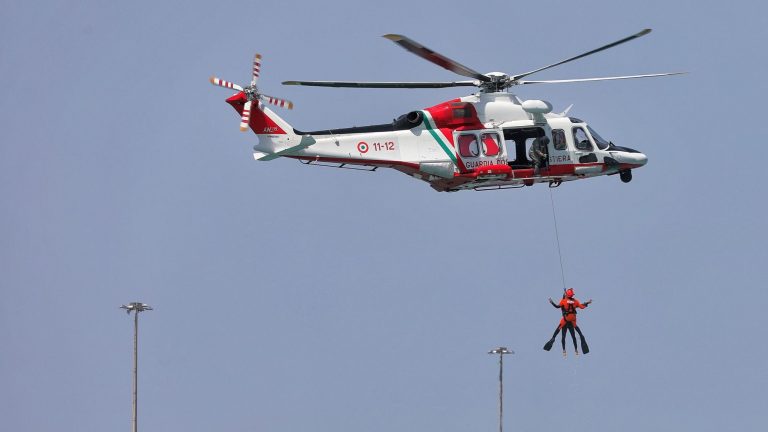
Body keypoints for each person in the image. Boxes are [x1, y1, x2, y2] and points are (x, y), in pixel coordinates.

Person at [543, 288, 592, 356]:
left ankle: (553, 338)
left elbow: (557, 306)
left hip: (566, 319)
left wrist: (551, 302)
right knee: (577, 329)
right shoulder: (575, 301)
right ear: (572, 295)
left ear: (566, 295)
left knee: (558, 329)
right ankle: (581, 337)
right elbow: (581, 306)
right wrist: (587, 303)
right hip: (573, 319)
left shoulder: (563, 301)